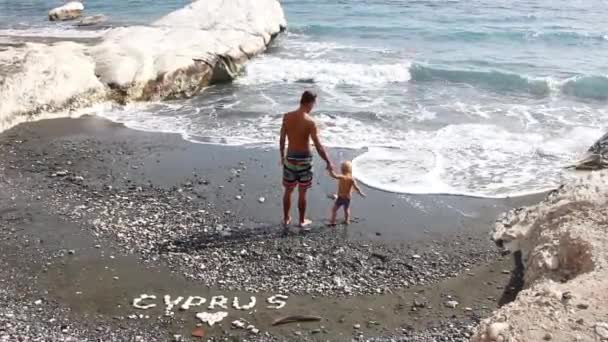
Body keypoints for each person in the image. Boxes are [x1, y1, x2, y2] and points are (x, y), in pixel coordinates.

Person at [280, 90, 332, 228]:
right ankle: (302, 221)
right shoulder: (310, 122)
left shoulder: (286, 117)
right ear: (309, 103)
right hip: (304, 161)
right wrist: (328, 161)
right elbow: (318, 146)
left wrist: (282, 156)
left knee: (288, 190)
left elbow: (282, 139)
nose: (313, 107)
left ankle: (286, 218)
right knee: (302, 192)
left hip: (290, 158)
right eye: (314, 104)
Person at [328, 161, 366, 226]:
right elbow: (356, 188)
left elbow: (334, 175)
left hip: (340, 197)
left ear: (342, 169)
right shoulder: (352, 179)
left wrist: (330, 170)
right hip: (348, 198)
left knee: (334, 209)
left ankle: (333, 221)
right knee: (346, 210)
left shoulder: (342, 177)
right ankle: (347, 221)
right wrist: (361, 193)